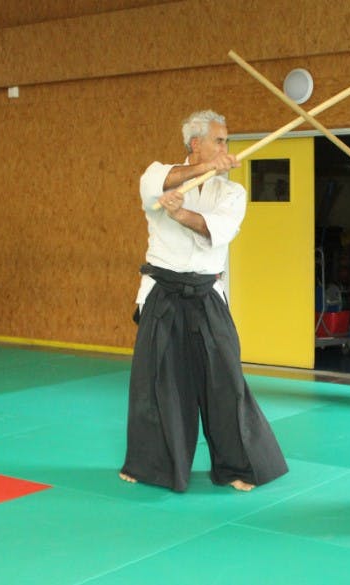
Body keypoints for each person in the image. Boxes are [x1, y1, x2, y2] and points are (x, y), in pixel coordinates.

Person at [119, 110, 288, 492]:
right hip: (162, 294)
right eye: (220, 141)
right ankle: (151, 467)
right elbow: (158, 185)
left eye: (226, 142)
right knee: (158, 383)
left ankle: (239, 466)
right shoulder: (158, 175)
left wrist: (181, 213)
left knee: (226, 380)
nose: (227, 149)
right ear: (195, 144)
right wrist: (193, 178)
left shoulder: (232, 192)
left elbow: (218, 230)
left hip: (207, 294)